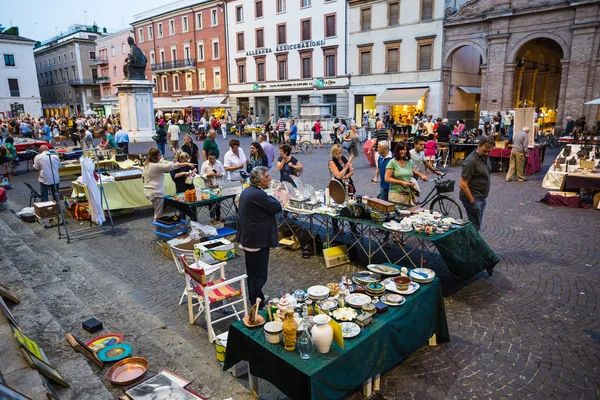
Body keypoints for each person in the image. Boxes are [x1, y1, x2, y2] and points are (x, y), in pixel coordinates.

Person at [237, 167, 282, 306]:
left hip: (249, 239)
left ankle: (255, 298)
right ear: (259, 180)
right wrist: (273, 194)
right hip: (256, 241)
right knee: (259, 275)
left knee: (252, 273)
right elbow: (276, 207)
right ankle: (258, 303)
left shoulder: (248, 192)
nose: (269, 179)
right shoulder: (257, 195)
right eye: (267, 177)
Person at [143, 148, 194, 220]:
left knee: (157, 212)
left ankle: (159, 228)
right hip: (155, 192)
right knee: (158, 214)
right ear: (156, 156)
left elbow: (143, 177)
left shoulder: (147, 165)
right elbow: (170, 167)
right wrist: (187, 163)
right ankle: (159, 228)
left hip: (148, 191)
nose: (160, 157)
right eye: (159, 155)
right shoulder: (155, 166)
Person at [459, 136, 495, 231]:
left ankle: (471, 244)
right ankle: (471, 245)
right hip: (473, 198)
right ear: (478, 146)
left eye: (489, 151)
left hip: (481, 197)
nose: (487, 153)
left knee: (476, 225)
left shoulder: (484, 157)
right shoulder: (471, 161)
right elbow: (462, 184)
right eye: (484, 151)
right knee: (475, 227)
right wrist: (472, 201)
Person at [200, 151, 225, 221]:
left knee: (218, 202)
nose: (212, 160)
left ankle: (218, 216)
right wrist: (208, 175)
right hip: (209, 187)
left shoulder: (219, 163)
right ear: (208, 157)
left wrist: (219, 175)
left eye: (213, 159)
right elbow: (201, 175)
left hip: (218, 186)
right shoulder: (204, 164)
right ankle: (213, 218)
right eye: (210, 158)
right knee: (210, 203)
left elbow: (224, 173)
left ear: (215, 158)